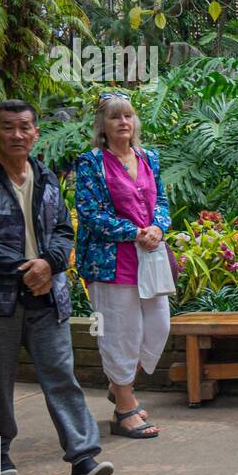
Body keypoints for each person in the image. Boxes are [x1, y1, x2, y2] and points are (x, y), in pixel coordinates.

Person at [0, 101, 114, 475]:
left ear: (35, 133)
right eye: (8, 127)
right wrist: (26, 270)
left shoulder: (45, 176)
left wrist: (50, 264)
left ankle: (83, 457)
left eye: (25, 127)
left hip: (47, 294)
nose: (17, 135)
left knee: (61, 375)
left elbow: (62, 231)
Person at [75, 92, 173, 438]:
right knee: (121, 333)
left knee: (159, 326)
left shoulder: (149, 158)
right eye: (115, 118)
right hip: (111, 264)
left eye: (128, 116)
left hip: (149, 258)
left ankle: (120, 386)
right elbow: (90, 215)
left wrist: (158, 226)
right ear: (102, 125)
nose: (124, 123)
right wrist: (134, 232)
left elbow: (161, 200)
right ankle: (124, 408)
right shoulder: (91, 163)